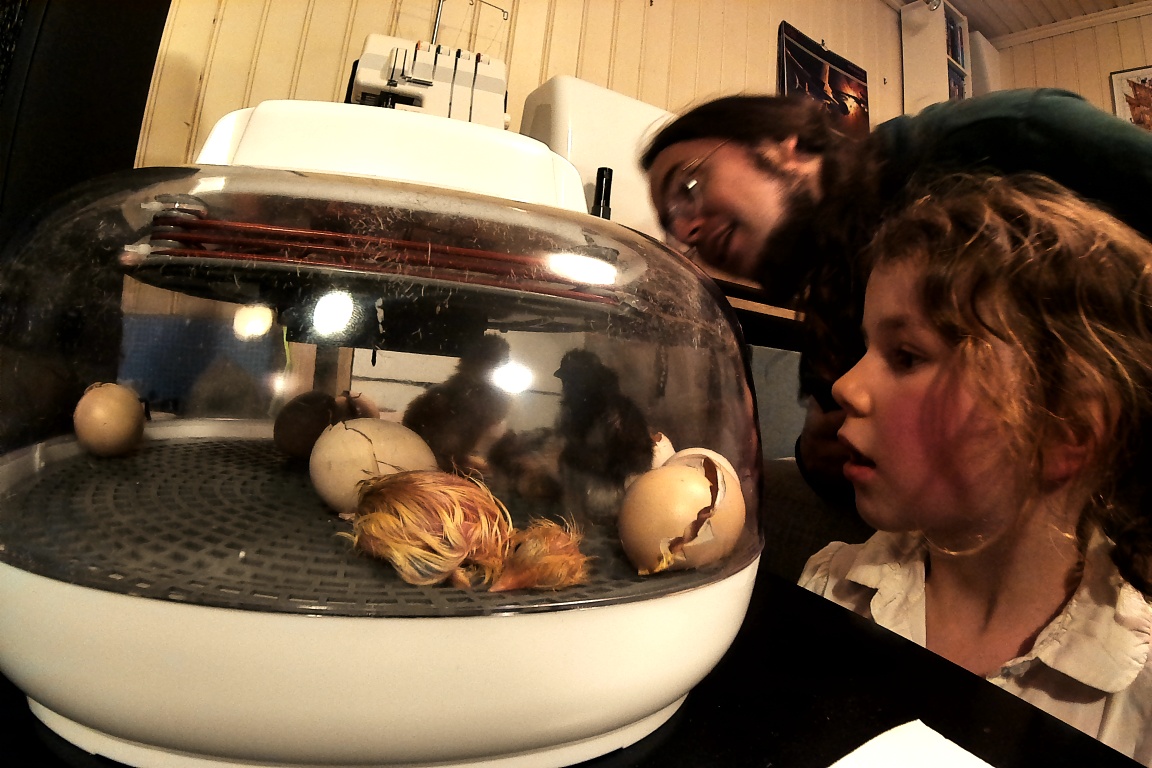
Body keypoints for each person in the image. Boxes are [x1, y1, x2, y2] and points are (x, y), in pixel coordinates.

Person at [641, 88, 1152, 507]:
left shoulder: (986, 139)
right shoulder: (828, 300)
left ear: (784, 144)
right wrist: (816, 456)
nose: (687, 230)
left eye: (689, 185)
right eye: (673, 225)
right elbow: (851, 479)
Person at [799, 173, 1152, 764]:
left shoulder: (1138, 693)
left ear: (1066, 431)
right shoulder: (832, 587)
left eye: (906, 356)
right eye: (866, 348)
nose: (846, 386)